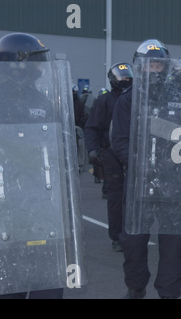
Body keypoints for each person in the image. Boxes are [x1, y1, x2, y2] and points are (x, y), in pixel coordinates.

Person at [0, 32, 85, 299]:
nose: (39, 68)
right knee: (8, 283)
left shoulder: (42, 100)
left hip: (42, 205)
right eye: (35, 61)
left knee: (47, 283)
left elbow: (58, 147)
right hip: (6, 205)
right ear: (17, 64)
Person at [111, 39, 181, 299]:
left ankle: (169, 293)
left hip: (174, 184)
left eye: (159, 64)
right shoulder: (128, 99)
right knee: (132, 242)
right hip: (139, 181)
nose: (155, 69)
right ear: (139, 66)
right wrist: (139, 164)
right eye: (150, 64)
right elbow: (119, 140)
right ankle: (135, 286)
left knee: (174, 246)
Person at [84, 62, 133, 253]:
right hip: (112, 154)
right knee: (116, 196)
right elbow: (91, 127)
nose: (125, 79)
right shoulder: (104, 101)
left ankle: (132, 232)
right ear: (112, 79)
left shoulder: (137, 98)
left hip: (133, 152)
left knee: (134, 197)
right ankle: (117, 237)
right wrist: (92, 150)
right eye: (121, 76)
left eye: (128, 76)